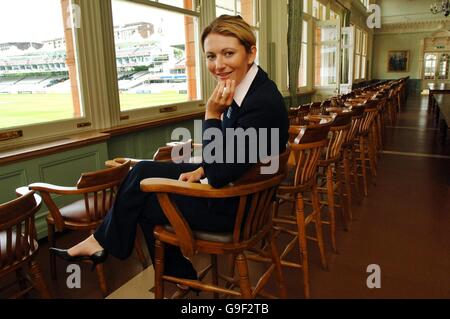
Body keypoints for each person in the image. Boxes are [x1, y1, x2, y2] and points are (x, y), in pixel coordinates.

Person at [50, 15, 289, 287]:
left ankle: (168, 270)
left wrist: (211, 114)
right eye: (211, 56)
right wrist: (201, 169)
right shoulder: (250, 87)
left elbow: (222, 173)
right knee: (141, 171)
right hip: (239, 184)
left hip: (237, 207)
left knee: (145, 200)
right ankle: (107, 244)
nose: (218, 65)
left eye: (228, 53)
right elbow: (235, 154)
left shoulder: (261, 103)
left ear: (251, 52)